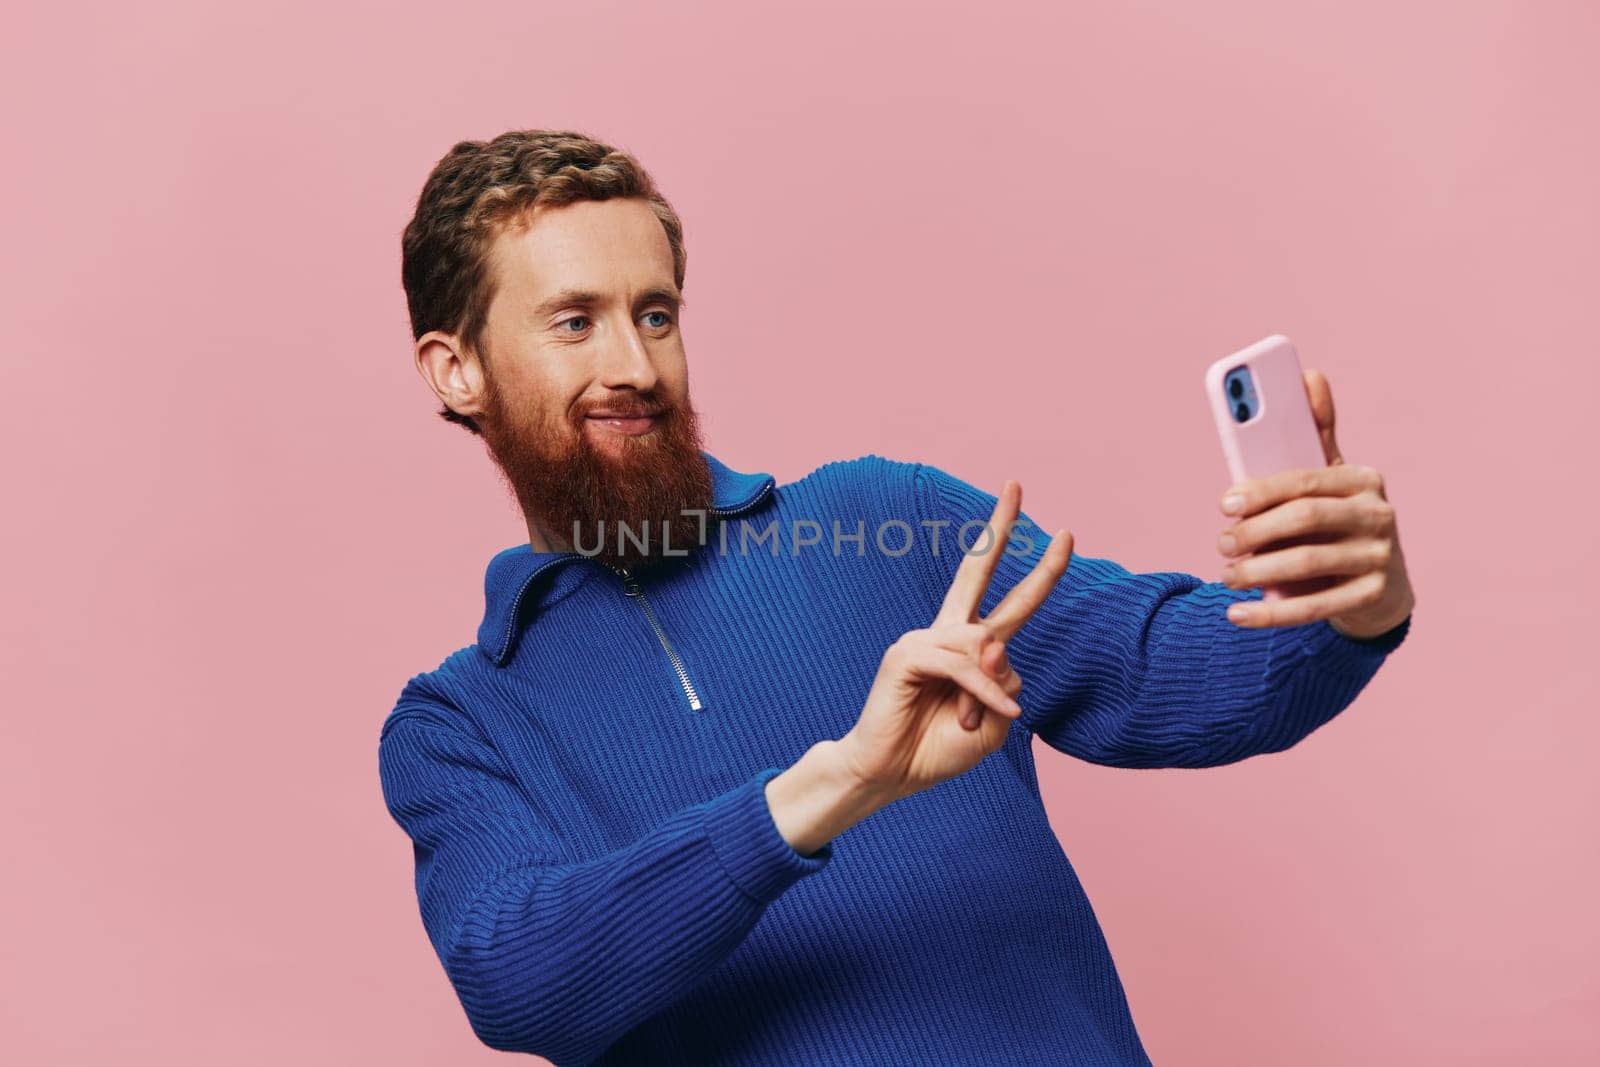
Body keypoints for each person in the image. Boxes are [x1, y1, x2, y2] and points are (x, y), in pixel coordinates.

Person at [377, 129, 1416, 1066]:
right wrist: (842, 781)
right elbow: (522, 981)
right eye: (574, 322)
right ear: (457, 370)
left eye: (656, 314)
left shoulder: (887, 520)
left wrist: (1344, 602)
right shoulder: (461, 721)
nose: (636, 366)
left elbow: (1178, 672)